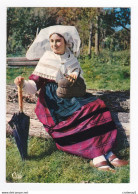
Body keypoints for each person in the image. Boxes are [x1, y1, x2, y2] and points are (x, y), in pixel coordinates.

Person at [14, 25, 128, 172]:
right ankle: (97, 156)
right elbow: (34, 86)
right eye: (52, 41)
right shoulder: (47, 58)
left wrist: (74, 77)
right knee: (83, 112)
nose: (54, 44)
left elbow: (80, 84)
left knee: (96, 105)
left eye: (58, 41)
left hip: (71, 95)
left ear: (66, 42)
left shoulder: (71, 58)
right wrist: (23, 83)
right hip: (53, 100)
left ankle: (107, 151)